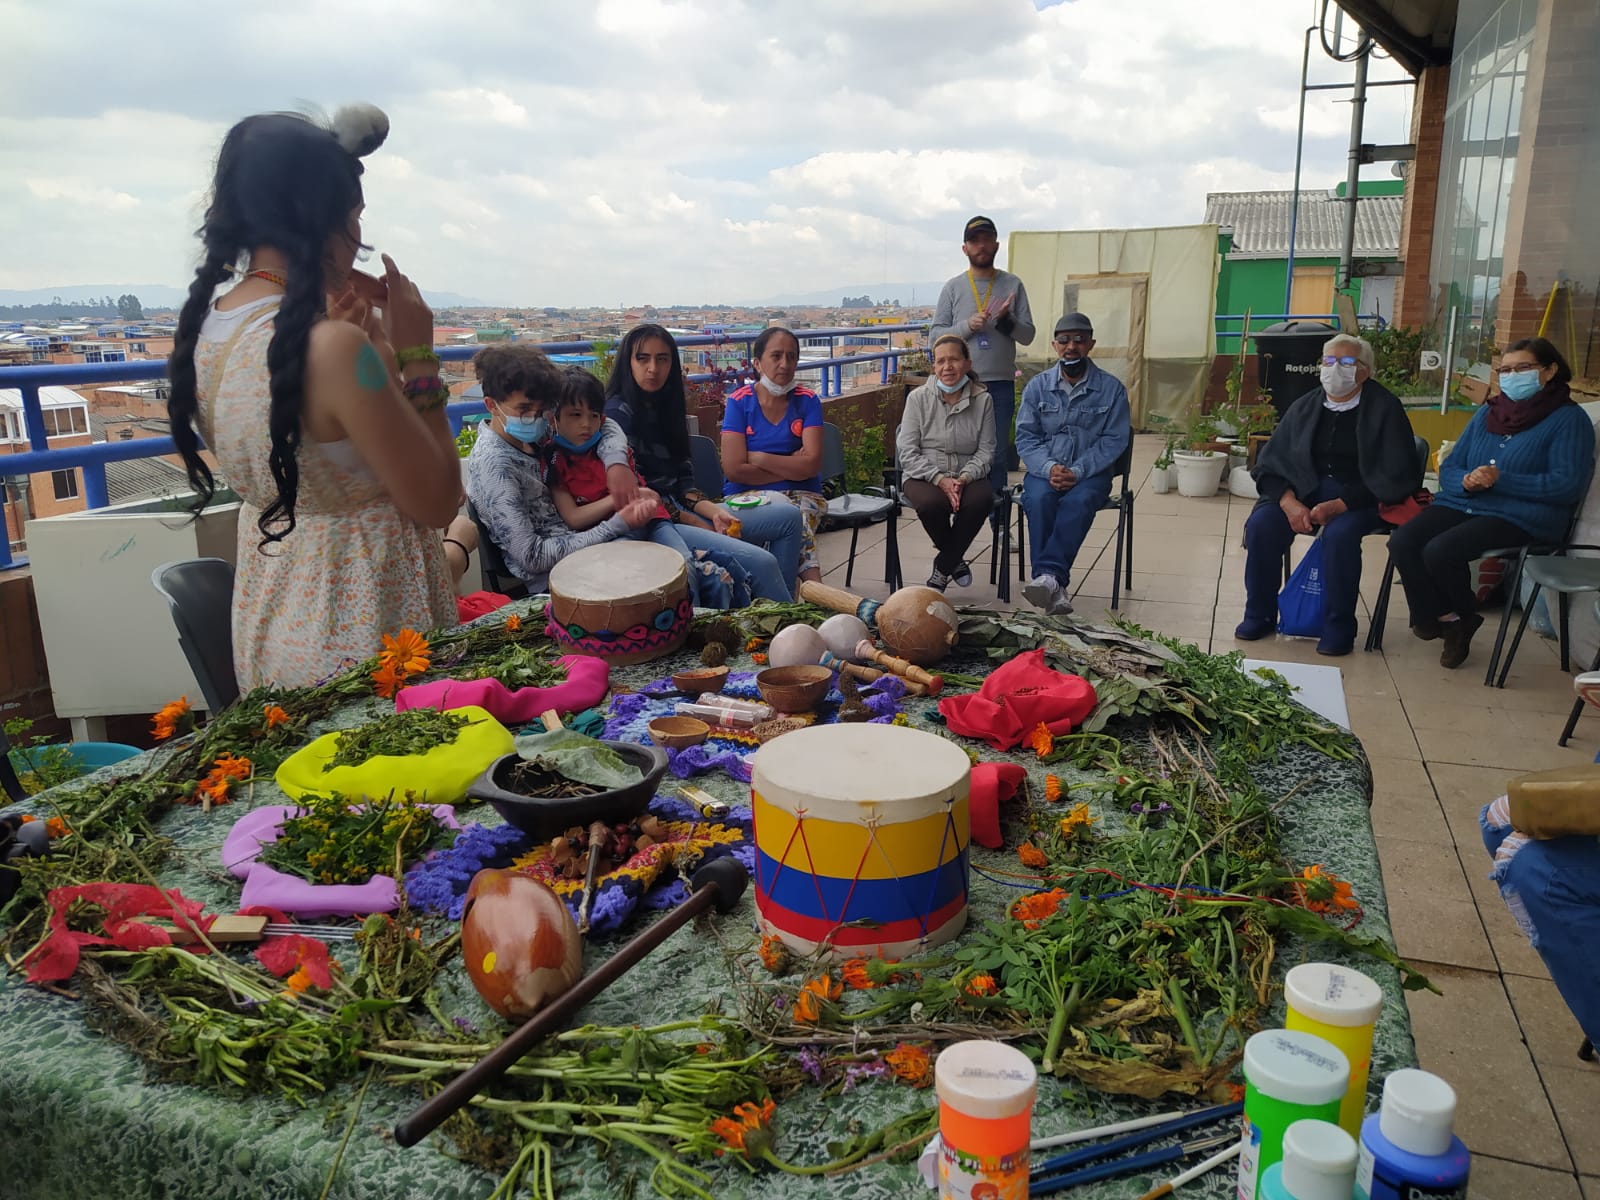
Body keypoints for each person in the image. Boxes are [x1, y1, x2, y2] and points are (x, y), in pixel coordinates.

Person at [165, 105, 466, 689]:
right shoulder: (331, 348)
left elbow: (317, 449)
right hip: (370, 633)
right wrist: (417, 359)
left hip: (275, 615)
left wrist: (371, 350)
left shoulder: (208, 328)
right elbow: (438, 501)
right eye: (354, 216)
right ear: (324, 217)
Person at [1389, 336, 1595, 669]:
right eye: (1506, 370)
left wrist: (1502, 479)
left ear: (1549, 370)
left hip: (1523, 515)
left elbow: (1566, 484)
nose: (1513, 376)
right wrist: (1467, 480)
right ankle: (1449, 618)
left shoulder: (1568, 420)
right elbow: (1453, 465)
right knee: (1403, 541)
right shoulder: (1491, 411)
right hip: (1467, 501)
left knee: (1441, 550)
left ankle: (1456, 617)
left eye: (1523, 368)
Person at [1236, 333, 1422, 656]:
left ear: (1364, 370)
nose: (1335, 369)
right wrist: (1289, 502)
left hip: (1361, 496)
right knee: (1262, 526)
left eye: (1346, 362)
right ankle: (1260, 615)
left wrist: (1342, 504)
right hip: (1303, 490)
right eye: (1329, 361)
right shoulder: (1305, 406)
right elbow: (1269, 465)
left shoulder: (1385, 408)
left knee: (1339, 536)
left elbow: (1396, 472)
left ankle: (1338, 627)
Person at [605, 324, 803, 601]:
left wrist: (713, 512)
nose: (653, 368)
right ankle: (783, 624)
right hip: (655, 525)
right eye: (643, 358)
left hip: (683, 513)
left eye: (662, 359)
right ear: (628, 362)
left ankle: (776, 613)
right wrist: (700, 523)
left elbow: (684, 484)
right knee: (762, 562)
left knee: (789, 518)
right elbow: (644, 498)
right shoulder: (616, 415)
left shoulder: (667, 409)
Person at [466, 344, 661, 594]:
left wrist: (615, 463)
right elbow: (531, 556)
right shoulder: (495, 466)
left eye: (542, 410)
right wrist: (616, 524)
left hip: (590, 545)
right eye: (524, 410)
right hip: (560, 577)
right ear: (492, 405)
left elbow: (606, 424)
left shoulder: (535, 431)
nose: (536, 418)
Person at [1014, 313, 1131, 615]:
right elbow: (1026, 438)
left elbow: (1113, 441)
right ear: (1054, 345)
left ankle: (1048, 576)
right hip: (1044, 470)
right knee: (1038, 499)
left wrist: (1077, 471)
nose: (1071, 346)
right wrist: (1050, 467)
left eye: (1079, 340)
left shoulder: (1112, 389)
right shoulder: (1037, 388)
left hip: (1090, 474)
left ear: (1090, 344)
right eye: (1064, 340)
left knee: (1078, 502)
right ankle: (1056, 585)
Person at [930, 215, 1036, 508]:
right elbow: (935, 336)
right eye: (975, 240)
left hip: (999, 385)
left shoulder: (1012, 284)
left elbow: (1028, 335)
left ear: (997, 245)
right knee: (954, 452)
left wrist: (1006, 322)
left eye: (987, 239)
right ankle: (958, 520)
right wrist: (967, 326)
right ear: (964, 248)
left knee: (997, 454)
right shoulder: (953, 288)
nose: (981, 245)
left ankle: (998, 522)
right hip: (958, 385)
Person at [718, 326, 828, 584]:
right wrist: (792, 463)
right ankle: (811, 592)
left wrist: (758, 458)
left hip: (804, 495)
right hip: (744, 497)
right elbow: (733, 469)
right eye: (776, 356)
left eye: (791, 357)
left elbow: (811, 466)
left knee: (794, 516)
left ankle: (782, 601)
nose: (785, 364)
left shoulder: (808, 400)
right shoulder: (739, 402)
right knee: (788, 519)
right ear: (757, 363)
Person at [895, 334, 996, 591]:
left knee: (980, 501)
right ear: (934, 367)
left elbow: (986, 451)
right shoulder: (918, 398)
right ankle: (956, 561)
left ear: (967, 363)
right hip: (923, 474)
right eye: (940, 361)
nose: (947, 367)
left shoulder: (983, 400)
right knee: (930, 504)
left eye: (954, 359)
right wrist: (939, 479)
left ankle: (943, 566)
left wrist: (963, 478)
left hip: (968, 473)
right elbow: (906, 451)